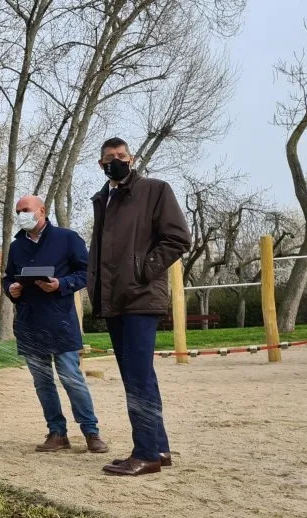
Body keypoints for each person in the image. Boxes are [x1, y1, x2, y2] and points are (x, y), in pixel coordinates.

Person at [87, 137, 191, 476]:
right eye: (109, 157)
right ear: (101, 164)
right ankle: (158, 447)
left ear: (131, 158)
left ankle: (145, 453)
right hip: (114, 298)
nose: (115, 160)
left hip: (140, 296)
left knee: (137, 377)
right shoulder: (103, 199)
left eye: (121, 155)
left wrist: (143, 269)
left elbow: (178, 238)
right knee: (140, 374)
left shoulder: (155, 190)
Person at [2, 196, 109, 455]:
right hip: (29, 323)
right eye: (18, 212)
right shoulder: (16, 247)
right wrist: (11, 289)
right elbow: (7, 278)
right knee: (42, 382)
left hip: (60, 321)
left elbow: (86, 273)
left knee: (72, 379)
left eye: (25, 210)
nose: (21, 215)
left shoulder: (67, 238)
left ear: (42, 211)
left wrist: (61, 284)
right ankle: (57, 432)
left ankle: (91, 432)